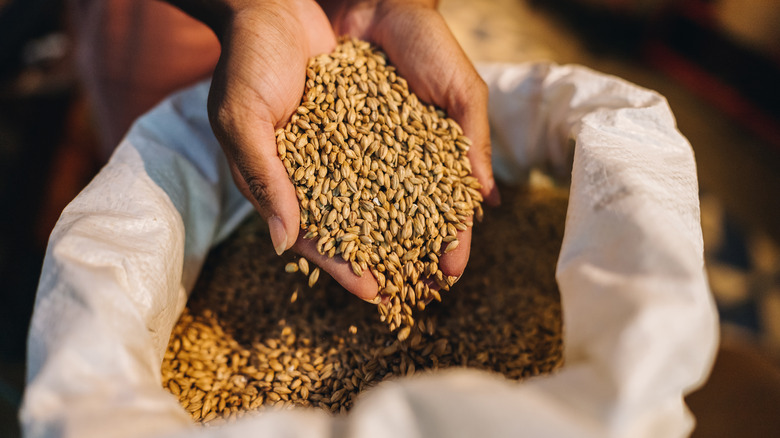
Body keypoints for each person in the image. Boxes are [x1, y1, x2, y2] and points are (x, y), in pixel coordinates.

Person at [72, 0, 499, 300]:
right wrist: (251, 6)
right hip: (170, 22)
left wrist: (397, 3)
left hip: (347, 12)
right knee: (155, 171)